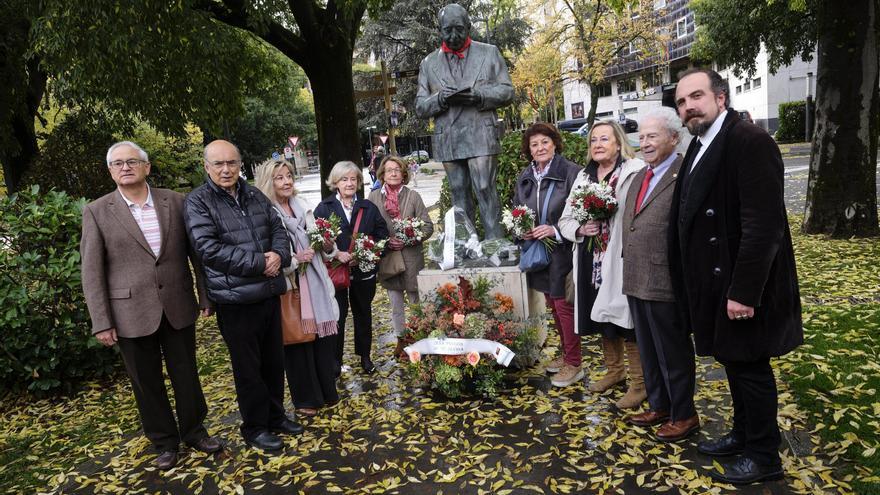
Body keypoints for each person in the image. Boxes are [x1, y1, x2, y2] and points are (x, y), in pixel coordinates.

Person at [670, 68, 802, 485]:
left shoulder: (749, 141)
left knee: (751, 368)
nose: (688, 107)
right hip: (714, 284)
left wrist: (744, 291)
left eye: (696, 97)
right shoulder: (699, 145)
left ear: (720, 98)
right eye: (681, 102)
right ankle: (745, 434)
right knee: (734, 363)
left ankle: (764, 456)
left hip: (744, 285)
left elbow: (764, 225)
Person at [80, 141, 221, 470]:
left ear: (147, 167)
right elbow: (91, 271)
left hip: (177, 305)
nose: (125, 167)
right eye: (117, 163)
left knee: (186, 374)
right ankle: (164, 442)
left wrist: (205, 294)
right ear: (110, 171)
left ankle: (195, 432)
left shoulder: (175, 201)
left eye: (132, 161)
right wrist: (101, 321)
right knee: (146, 382)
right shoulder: (97, 211)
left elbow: (195, 255)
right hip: (129, 313)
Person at [184, 140, 303, 453]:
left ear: (240, 165)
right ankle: (255, 428)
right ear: (207, 167)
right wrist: (260, 263)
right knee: (249, 370)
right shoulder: (198, 201)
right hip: (235, 300)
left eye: (232, 163)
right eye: (219, 164)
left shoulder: (253, 194)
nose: (226, 170)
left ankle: (276, 417)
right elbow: (208, 249)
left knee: (274, 364)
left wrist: (279, 254)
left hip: (267, 293)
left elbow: (276, 227)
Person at [620, 107, 698, 441]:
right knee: (648, 348)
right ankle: (659, 403)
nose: (645, 142)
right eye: (642, 135)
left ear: (674, 138)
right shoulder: (641, 174)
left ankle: (684, 414)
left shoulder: (685, 174)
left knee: (672, 351)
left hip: (665, 279)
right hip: (636, 277)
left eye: (653, 135)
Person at [558, 120, 647, 409]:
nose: (597, 144)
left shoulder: (633, 171)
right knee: (601, 316)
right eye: (593, 140)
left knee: (625, 319)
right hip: (590, 260)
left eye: (604, 139)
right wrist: (581, 229)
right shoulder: (584, 177)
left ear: (618, 144)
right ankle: (615, 372)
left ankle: (639, 383)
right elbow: (566, 219)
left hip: (621, 257)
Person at [415, 3, 514, 239]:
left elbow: (507, 91)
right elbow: (420, 106)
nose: (453, 35)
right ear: (439, 30)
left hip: (480, 131)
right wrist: (440, 98)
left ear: (469, 27)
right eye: (447, 30)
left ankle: (493, 242)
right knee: (458, 191)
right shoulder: (428, 63)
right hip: (448, 136)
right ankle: (467, 244)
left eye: (459, 29)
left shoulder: (489, 53)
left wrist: (479, 95)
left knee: (484, 187)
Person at [255, 159, 340, 417]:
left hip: (316, 286)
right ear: (269, 182)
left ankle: (326, 392)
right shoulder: (265, 214)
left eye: (289, 175)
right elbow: (267, 257)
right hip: (290, 288)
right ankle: (306, 399)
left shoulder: (302, 208)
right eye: (279, 177)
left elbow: (323, 252)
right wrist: (294, 260)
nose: (287, 181)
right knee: (297, 343)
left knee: (321, 341)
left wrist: (328, 246)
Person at [511, 124, 582, 387]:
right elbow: (517, 208)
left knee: (564, 306)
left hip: (563, 249)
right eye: (534, 144)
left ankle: (575, 363)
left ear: (554, 143)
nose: (540, 148)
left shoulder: (571, 173)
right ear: (528, 150)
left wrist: (554, 230)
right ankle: (566, 356)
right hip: (538, 252)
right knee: (552, 304)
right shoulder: (526, 175)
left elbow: (579, 212)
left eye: (544, 142)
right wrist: (522, 231)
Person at [315, 161, 389, 374]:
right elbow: (316, 240)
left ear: (358, 182)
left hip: (363, 272)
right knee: (337, 316)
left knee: (363, 314)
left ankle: (365, 357)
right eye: (344, 179)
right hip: (335, 272)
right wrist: (336, 253)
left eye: (353, 179)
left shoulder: (368, 207)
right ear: (335, 182)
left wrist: (366, 253)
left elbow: (382, 237)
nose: (349, 183)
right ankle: (335, 362)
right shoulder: (324, 208)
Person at [368, 156, 434, 356]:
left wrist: (409, 238)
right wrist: (385, 243)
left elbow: (428, 226)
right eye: (389, 170)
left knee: (416, 301)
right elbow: (367, 230)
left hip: (412, 257)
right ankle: (401, 340)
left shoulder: (413, 196)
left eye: (397, 169)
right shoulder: (373, 198)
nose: (394, 173)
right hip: (389, 260)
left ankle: (419, 338)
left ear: (404, 173)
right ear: (382, 175)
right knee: (396, 304)